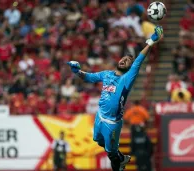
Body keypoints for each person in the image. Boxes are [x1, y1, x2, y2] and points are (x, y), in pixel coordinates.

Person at [67, 26, 163, 171]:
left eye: (129, 61)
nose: (125, 60)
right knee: (98, 141)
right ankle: (121, 157)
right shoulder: (107, 74)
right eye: (124, 58)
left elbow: (139, 60)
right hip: (99, 116)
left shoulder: (127, 78)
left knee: (112, 157)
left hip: (113, 122)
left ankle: (120, 162)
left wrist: (150, 42)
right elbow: (89, 77)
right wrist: (77, 71)